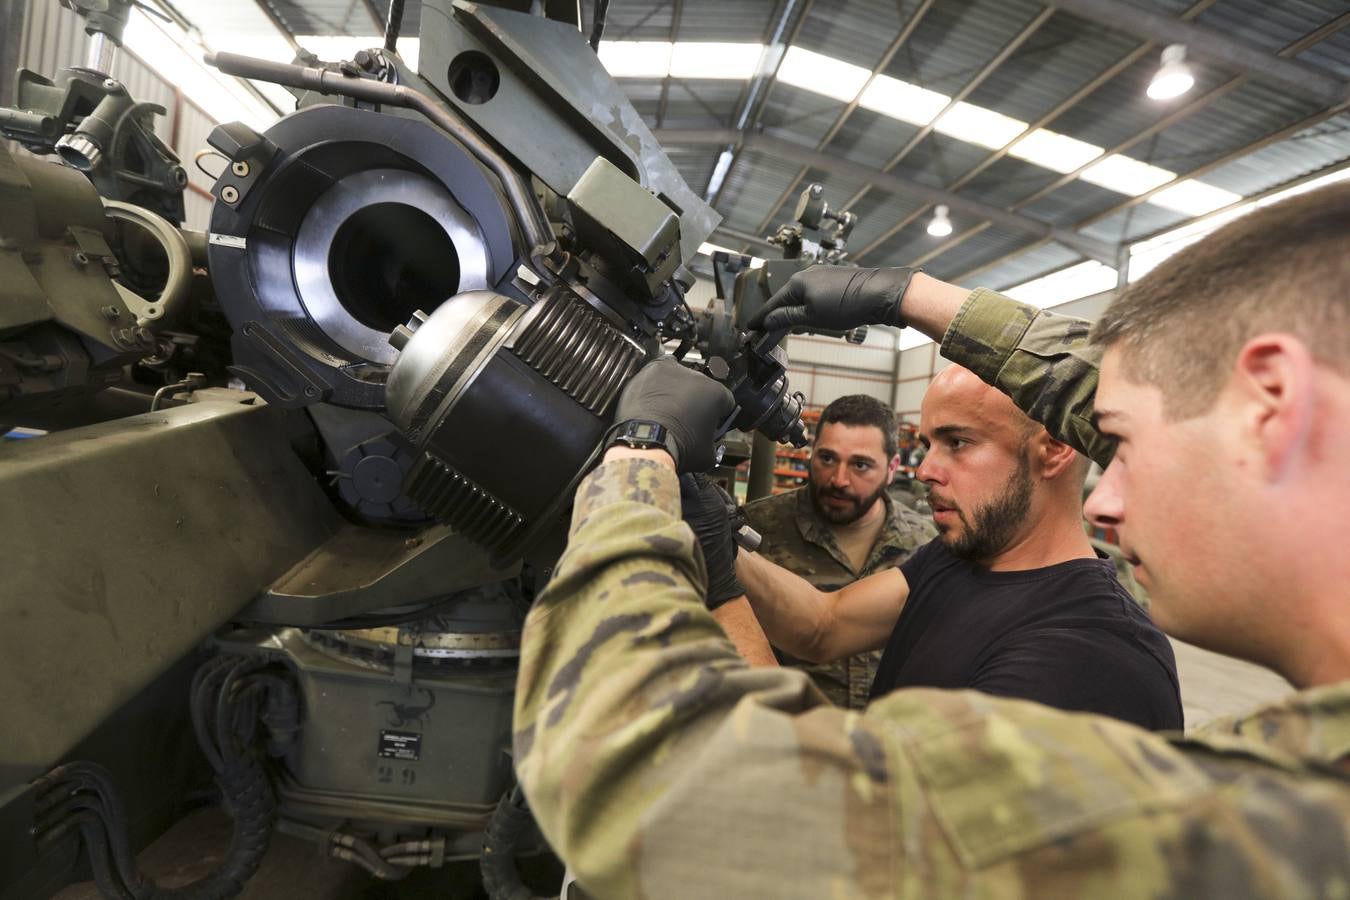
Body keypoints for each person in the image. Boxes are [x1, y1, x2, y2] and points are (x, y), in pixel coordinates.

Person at [511, 184, 1350, 898]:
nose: (1108, 502)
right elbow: (824, 627)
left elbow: (675, 791)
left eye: (1118, 445)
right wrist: (903, 293)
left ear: (1273, 404)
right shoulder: (956, 563)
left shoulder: (1097, 664)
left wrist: (636, 465)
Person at [730, 362, 1182, 729]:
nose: (924, 470)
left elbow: (866, 803)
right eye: (929, 444)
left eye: (957, 442)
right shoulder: (959, 557)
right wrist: (720, 538)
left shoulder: (1089, 651)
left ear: (1055, 449)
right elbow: (823, 626)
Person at [740, 394, 936, 707]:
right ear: (811, 454)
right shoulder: (754, 532)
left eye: (860, 465)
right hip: (786, 734)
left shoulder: (927, 545)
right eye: (827, 459)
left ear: (892, 468)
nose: (839, 480)